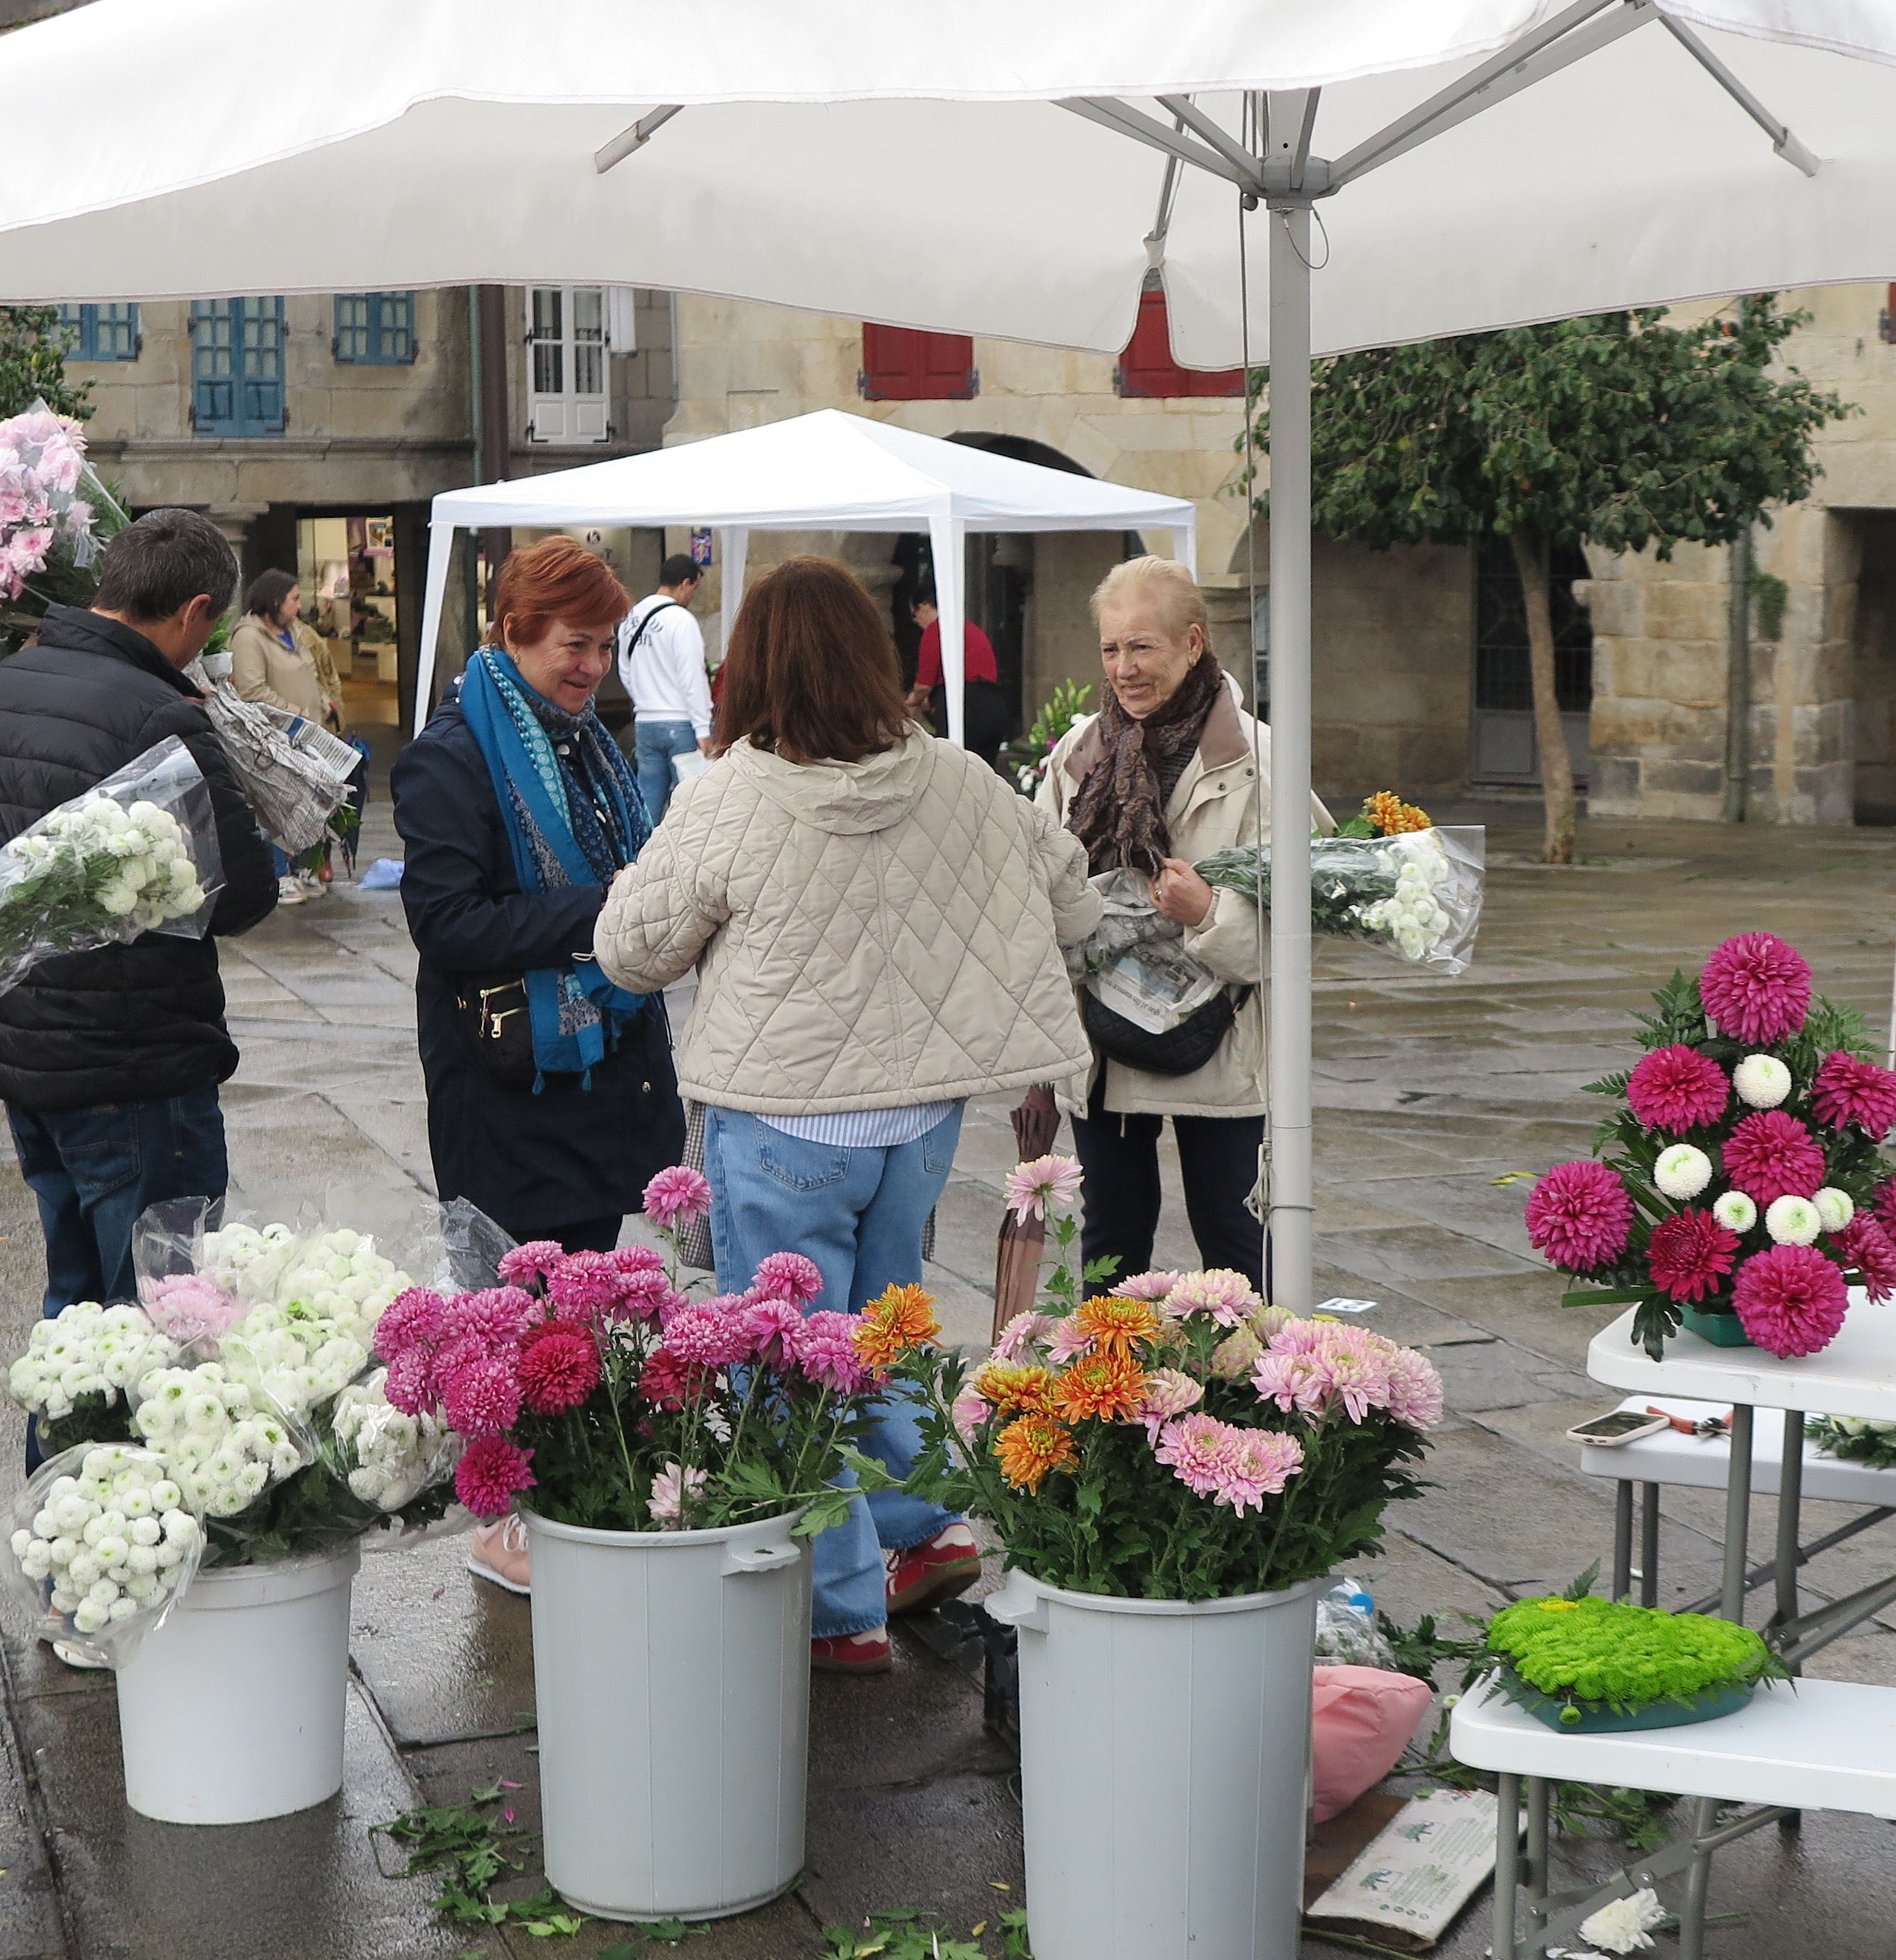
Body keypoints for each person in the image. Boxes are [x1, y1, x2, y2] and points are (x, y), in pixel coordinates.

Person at [599, 556, 1096, 1674]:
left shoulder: (729, 793)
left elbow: (630, 954)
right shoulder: (965, 779)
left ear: (751, 670)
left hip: (784, 1124)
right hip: (918, 1121)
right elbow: (1072, 899)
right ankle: (928, 1531)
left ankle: (838, 1608)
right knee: (889, 1331)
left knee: (783, 1364)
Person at [392, 539, 685, 1595]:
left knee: (583, 1304)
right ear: (510, 631)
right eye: (573, 644)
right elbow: (450, 921)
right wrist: (613, 914)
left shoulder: (581, 743)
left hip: (602, 1072)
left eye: (606, 646)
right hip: (509, 1082)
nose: (592, 666)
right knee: (512, 1311)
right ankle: (503, 1510)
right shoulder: (452, 754)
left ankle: (567, 1489)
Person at [0, 511, 280, 1352]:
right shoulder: (156, 712)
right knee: (155, 1327)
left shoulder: (7, 683)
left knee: (74, 1310)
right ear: (194, 611)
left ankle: (54, 1475)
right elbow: (243, 893)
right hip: (133, 1062)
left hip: (30, 1044)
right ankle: (122, 1479)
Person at [1033, 555, 1301, 1291]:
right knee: (1108, 1250)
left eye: (1142, 646)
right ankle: (1108, 1397)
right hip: (1102, 1047)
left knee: (1236, 1247)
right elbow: (1035, 880)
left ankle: (1256, 1400)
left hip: (1217, 1041)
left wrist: (1209, 913)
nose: (1125, 668)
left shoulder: (1260, 760)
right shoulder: (1078, 755)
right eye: (1111, 649)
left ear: (1191, 642)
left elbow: (1305, 922)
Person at [227, 568, 358, 903]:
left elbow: (310, 672)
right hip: (272, 738)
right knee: (269, 805)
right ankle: (277, 875)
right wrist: (296, 713)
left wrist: (321, 702)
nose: (300, 606)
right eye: (294, 599)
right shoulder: (248, 637)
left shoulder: (295, 632)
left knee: (308, 803)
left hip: (307, 736)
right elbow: (251, 689)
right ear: (275, 601)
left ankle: (304, 868)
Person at [617, 554, 715, 825]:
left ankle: (644, 857)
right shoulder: (681, 620)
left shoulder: (631, 618)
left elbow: (624, 669)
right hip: (681, 721)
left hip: (646, 720)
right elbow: (692, 677)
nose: (694, 595)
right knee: (691, 805)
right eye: (695, 588)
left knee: (648, 799)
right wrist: (703, 728)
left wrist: (644, 698)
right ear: (685, 583)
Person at [907, 593, 1013, 762]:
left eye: (915, 616)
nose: (917, 622)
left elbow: (924, 685)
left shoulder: (937, 629)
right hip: (994, 706)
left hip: (967, 708)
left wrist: (911, 702)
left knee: (954, 770)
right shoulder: (971, 628)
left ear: (924, 607)